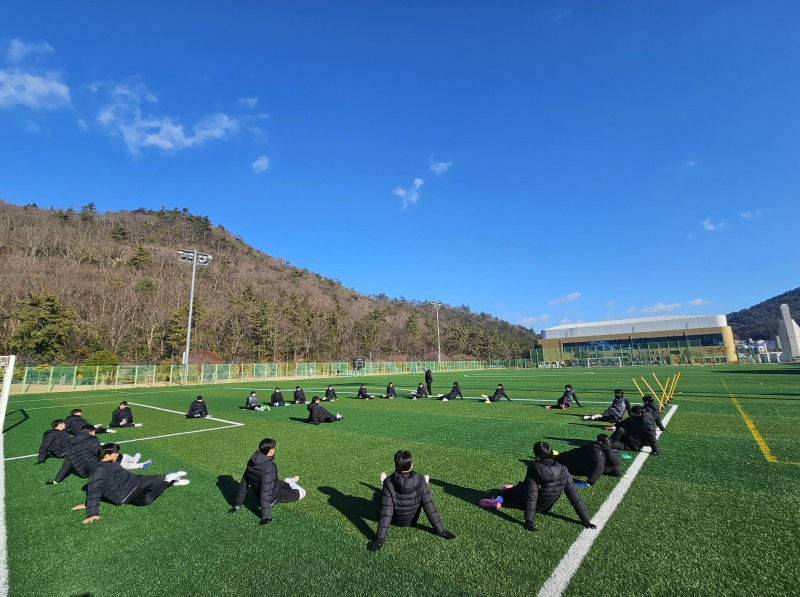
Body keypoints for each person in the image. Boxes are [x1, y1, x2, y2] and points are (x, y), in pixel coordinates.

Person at [482, 442, 596, 532]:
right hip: (546, 507)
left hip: (531, 503)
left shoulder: (534, 468)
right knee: (520, 487)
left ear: (537, 456)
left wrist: (529, 521)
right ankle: (513, 488)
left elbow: (532, 495)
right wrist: (586, 520)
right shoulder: (564, 469)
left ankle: (498, 500)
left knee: (509, 492)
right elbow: (574, 496)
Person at [70, 443, 189, 524]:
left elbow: (125, 466)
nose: (118, 455)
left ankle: (172, 479)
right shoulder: (98, 471)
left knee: (156, 479)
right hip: (128, 495)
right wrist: (92, 512)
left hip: (137, 480)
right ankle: (169, 480)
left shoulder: (112, 461)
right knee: (146, 500)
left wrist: (138, 465)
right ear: (107, 455)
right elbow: (94, 490)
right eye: (115, 453)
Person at [368, 450, 455, 551]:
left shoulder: (389, 481)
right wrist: (441, 531)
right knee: (422, 488)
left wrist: (380, 539)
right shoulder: (420, 479)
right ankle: (424, 484)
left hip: (394, 521)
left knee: (382, 495)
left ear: (395, 465)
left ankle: (383, 484)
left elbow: (386, 513)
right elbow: (429, 507)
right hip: (412, 521)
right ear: (411, 465)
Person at [228, 438, 306, 524]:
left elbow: (244, 484)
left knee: (279, 483)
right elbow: (265, 493)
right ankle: (291, 481)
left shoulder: (251, 461)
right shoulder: (269, 467)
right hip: (273, 497)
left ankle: (290, 481)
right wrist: (265, 516)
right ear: (271, 451)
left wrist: (237, 505)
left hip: (273, 484)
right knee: (302, 492)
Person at [555, 435, 621, 485]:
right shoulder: (610, 451)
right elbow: (616, 471)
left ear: (600, 442)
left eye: (597, 439)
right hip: (582, 463)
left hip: (574, 463)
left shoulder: (596, 448)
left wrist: (589, 482)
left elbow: (599, 466)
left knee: (557, 460)